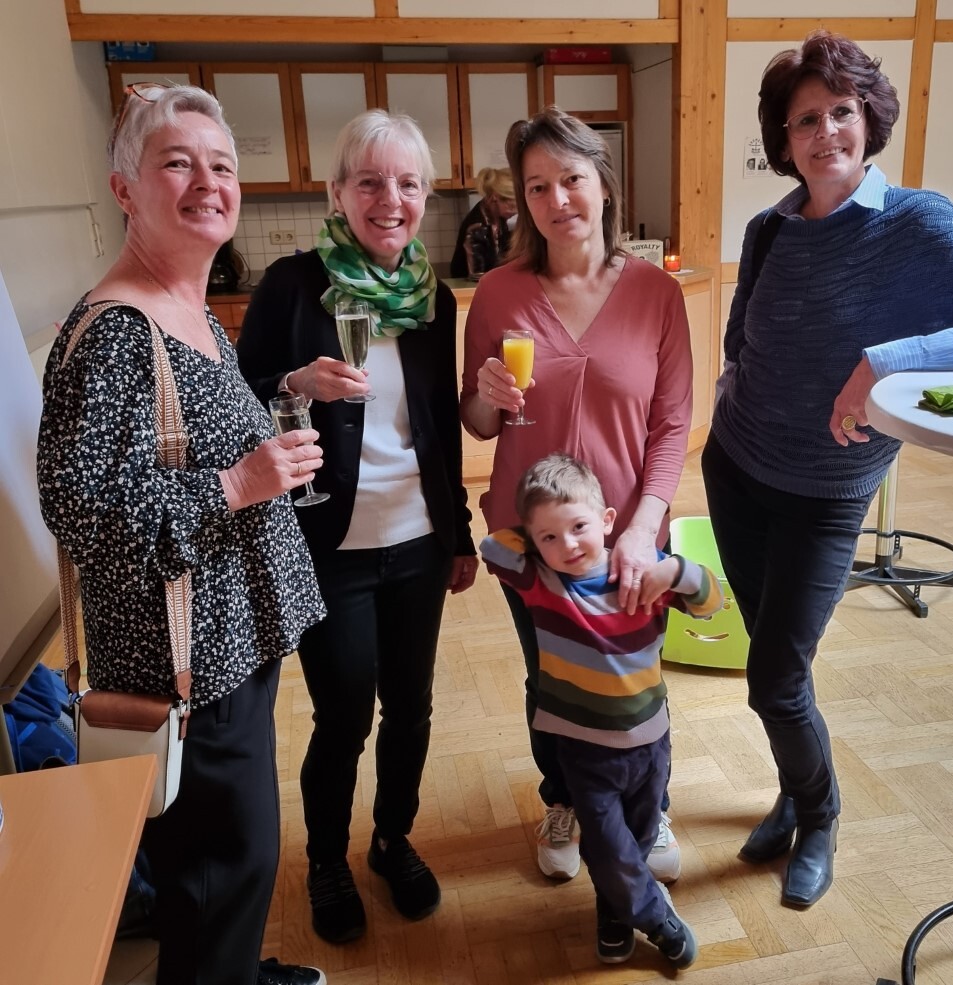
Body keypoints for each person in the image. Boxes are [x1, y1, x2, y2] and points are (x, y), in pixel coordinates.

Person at [36, 84, 328, 985]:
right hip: (184, 666)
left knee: (232, 863)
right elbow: (85, 513)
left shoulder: (187, 310)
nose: (208, 181)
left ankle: (237, 968)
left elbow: (185, 439)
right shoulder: (120, 333)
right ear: (125, 189)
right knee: (219, 869)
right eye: (178, 162)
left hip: (228, 649)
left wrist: (271, 419)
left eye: (222, 165)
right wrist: (239, 483)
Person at [705, 30, 953, 910]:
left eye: (841, 111)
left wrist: (886, 358)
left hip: (826, 494)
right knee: (776, 668)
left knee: (773, 678)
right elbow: (740, 339)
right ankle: (793, 796)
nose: (825, 132)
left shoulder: (917, 221)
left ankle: (821, 813)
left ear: (868, 118)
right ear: (783, 138)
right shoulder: (768, 229)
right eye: (805, 120)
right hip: (736, 467)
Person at [237, 109, 478, 947]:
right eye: (370, 181)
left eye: (408, 183)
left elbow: (439, 427)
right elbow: (238, 407)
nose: (390, 199)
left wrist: (459, 532)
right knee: (343, 717)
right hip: (328, 547)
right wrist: (294, 384)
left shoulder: (432, 297)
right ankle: (327, 859)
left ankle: (391, 839)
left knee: (411, 709)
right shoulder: (290, 286)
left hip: (418, 539)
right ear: (337, 192)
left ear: (425, 197)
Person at [460, 106, 694, 884]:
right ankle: (562, 797)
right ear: (522, 199)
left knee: (635, 675)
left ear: (604, 185)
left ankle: (646, 807)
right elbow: (478, 421)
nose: (557, 199)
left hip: (626, 533)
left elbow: (672, 425)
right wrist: (487, 393)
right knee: (549, 678)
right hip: (532, 538)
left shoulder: (656, 294)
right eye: (537, 186)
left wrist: (644, 529)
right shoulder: (498, 293)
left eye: (571, 179)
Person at [480, 454, 720, 969]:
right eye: (549, 537)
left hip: (650, 743)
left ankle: (613, 910)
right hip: (584, 751)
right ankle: (657, 920)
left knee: (636, 840)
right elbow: (493, 546)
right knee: (609, 847)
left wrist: (674, 568)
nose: (568, 545)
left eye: (579, 527)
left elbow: (710, 603)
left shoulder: (643, 573)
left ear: (608, 520)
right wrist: (537, 538)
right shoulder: (541, 581)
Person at [449, 166, 517, 278]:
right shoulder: (476, 226)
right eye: (512, 206)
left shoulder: (499, 218)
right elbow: (477, 275)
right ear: (495, 198)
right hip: (467, 285)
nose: (515, 211)